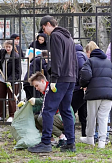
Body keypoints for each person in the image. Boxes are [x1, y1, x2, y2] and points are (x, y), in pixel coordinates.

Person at [28, 15, 78, 153]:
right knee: (66, 110)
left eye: (44, 29)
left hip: (60, 78)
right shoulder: (68, 37)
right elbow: (73, 59)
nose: (44, 32)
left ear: (49, 24)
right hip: (70, 78)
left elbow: (57, 59)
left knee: (47, 110)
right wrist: (74, 77)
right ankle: (70, 142)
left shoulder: (55, 36)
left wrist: (54, 80)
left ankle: (45, 143)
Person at [79, 41, 112, 148]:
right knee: (103, 118)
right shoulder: (108, 62)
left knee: (91, 117)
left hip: (93, 93)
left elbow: (85, 76)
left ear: (89, 51)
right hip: (108, 93)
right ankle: (102, 142)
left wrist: (83, 84)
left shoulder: (89, 62)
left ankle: (90, 138)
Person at [28, 72, 75, 148]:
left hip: (62, 118)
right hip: (60, 117)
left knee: (42, 118)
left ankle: (62, 137)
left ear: (43, 81)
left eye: (37, 85)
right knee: (36, 118)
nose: (36, 88)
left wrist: (36, 101)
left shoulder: (51, 89)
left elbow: (49, 106)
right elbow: (43, 106)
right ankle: (51, 140)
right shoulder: (46, 91)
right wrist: (27, 106)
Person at [0, 40, 21, 122]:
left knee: (11, 98)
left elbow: (17, 71)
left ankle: (12, 115)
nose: (7, 48)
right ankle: (1, 115)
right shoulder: (2, 52)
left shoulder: (16, 56)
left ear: (12, 47)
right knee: (1, 97)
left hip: (12, 80)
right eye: (6, 47)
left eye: (9, 47)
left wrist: (10, 80)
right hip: (3, 79)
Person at [71, 44, 88, 137]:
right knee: (83, 113)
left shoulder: (77, 55)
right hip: (82, 88)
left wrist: (81, 83)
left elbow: (82, 69)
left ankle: (70, 134)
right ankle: (84, 134)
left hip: (77, 88)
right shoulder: (83, 55)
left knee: (71, 111)